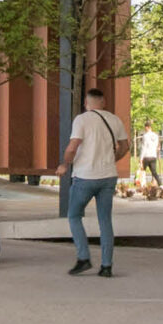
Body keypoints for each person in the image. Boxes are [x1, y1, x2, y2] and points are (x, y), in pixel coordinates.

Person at [61, 84, 126, 277]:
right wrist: (112, 160)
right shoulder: (114, 119)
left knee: (74, 216)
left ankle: (84, 258)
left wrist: (65, 164)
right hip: (108, 176)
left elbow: (72, 147)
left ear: (86, 103)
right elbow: (125, 146)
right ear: (103, 102)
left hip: (85, 176)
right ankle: (106, 266)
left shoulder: (81, 119)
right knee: (105, 220)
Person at [139, 123, 163, 188]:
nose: (144, 129)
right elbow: (156, 146)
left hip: (146, 156)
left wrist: (141, 158)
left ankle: (142, 185)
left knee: (142, 171)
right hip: (153, 156)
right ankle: (161, 185)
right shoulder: (156, 136)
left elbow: (144, 147)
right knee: (154, 172)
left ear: (147, 127)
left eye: (145, 127)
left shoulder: (145, 136)